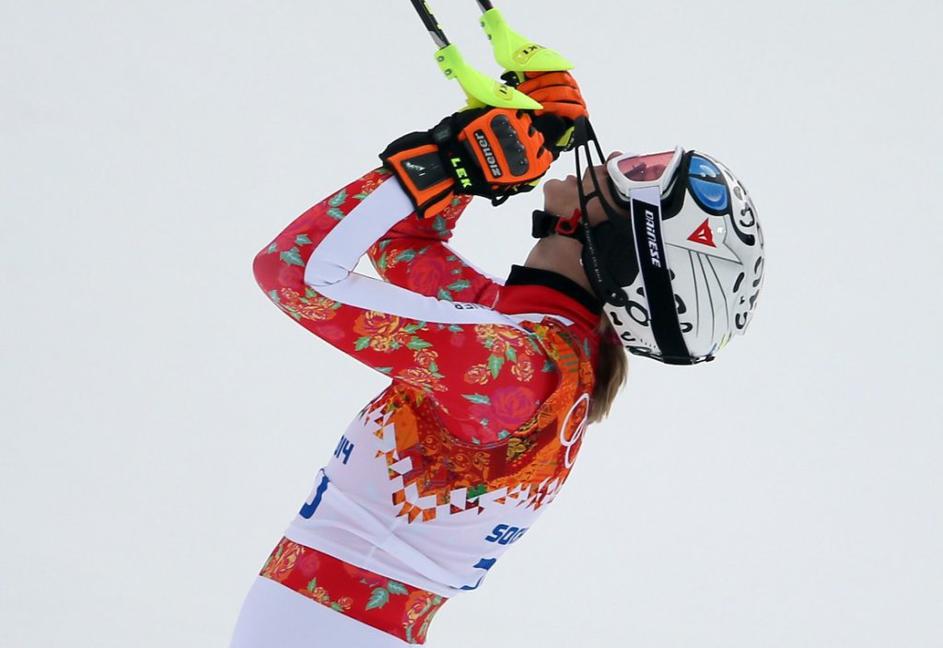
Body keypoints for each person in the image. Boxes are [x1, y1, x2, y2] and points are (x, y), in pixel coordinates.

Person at [230, 72, 764, 647]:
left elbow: (292, 271)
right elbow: (402, 243)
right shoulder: (536, 343)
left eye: (640, 174)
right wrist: (476, 150)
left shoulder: (515, 366)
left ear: (625, 246)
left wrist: (446, 163)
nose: (614, 159)